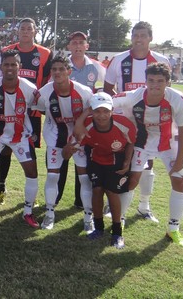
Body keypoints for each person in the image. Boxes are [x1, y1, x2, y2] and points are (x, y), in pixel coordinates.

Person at [111, 63, 183, 246]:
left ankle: (173, 229)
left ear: (168, 83)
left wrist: (179, 161)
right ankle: (120, 223)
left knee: (180, 180)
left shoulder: (177, 98)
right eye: (151, 80)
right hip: (142, 142)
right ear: (145, 81)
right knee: (131, 181)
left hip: (169, 142)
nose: (155, 85)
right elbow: (106, 101)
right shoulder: (134, 96)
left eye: (160, 81)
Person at [103, 21, 169, 222]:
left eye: (142, 35)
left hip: (151, 119)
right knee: (121, 159)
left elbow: (166, 88)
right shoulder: (119, 59)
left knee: (148, 162)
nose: (138, 39)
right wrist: (123, 107)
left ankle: (144, 206)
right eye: (135, 35)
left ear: (150, 38)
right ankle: (112, 202)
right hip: (125, 120)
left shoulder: (161, 60)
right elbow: (107, 89)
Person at [0, 50, 40, 227]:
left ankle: (28, 212)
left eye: (14, 64)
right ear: (0, 66)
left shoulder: (30, 89)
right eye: (6, 64)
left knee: (32, 173)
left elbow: (34, 108)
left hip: (20, 136)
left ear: (20, 66)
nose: (10, 68)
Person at [0, 18, 52, 206]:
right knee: (5, 150)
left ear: (35, 31)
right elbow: (0, 79)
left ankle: (31, 195)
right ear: (17, 32)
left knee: (30, 153)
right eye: (22, 28)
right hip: (9, 110)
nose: (25, 31)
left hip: (31, 113)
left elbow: (46, 82)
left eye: (29, 29)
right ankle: (1, 187)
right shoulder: (7, 51)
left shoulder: (44, 53)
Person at [33, 55, 94, 231]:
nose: (58, 72)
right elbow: (40, 109)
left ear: (69, 71)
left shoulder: (83, 92)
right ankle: (50, 213)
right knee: (52, 176)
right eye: (54, 69)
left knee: (84, 178)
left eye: (61, 69)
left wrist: (80, 124)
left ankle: (88, 217)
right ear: (51, 72)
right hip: (54, 137)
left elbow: (92, 110)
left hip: (80, 138)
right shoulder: (44, 92)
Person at [80, 92, 136, 249]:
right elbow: (79, 139)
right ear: (92, 111)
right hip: (95, 159)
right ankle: (98, 228)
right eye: (97, 111)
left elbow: (131, 142)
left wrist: (127, 161)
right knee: (97, 190)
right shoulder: (87, 124)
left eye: (105, 111)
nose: (101, 116)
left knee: (112, 192)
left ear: (112, 110)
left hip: (115, 160)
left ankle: (117, 233)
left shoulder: (123, 123)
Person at [66, 31, 106, 209]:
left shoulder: (96, 67)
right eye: (74, 42)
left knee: (84, 160)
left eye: (81, 42)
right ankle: (54, 198)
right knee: (61, 158)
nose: (77, 46)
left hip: (88, 123)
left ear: (86, 46)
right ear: (69, 46)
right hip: (64, 121)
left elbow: (107, 88)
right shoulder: (61, 65)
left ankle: (80, 201)